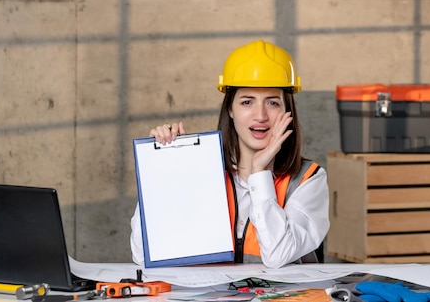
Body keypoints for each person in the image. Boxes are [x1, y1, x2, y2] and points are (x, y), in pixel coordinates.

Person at [130, 39, 330, 268]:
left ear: (288, 111)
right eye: (247, 102)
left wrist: (259, 174)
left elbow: (278, 255)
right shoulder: (201, 171)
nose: (260, 116)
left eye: (273, 103)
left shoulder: (308, 180)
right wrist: (164, 168)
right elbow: (142, 255)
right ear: (230, 110)